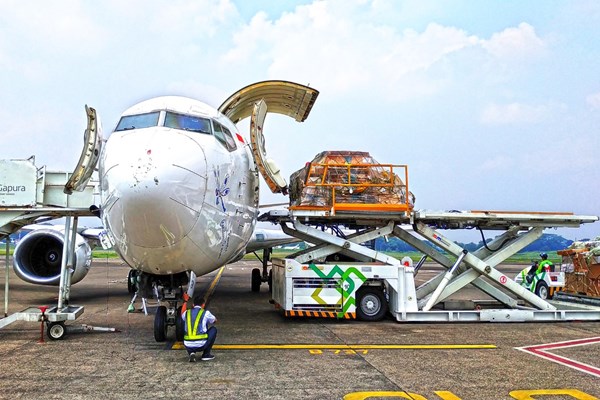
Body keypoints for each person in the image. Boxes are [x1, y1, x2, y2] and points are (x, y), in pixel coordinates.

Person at [181, 294, 217, 362]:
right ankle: (206, 354)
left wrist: (185, 301)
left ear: (193, 305)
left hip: (188, 345)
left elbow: (182, 313)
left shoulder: (187, 313)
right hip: (201, 344)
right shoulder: (205, 313)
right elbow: (214, 320)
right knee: (213, 329)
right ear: (203, 305)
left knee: (188, 329)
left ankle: (191, 353)